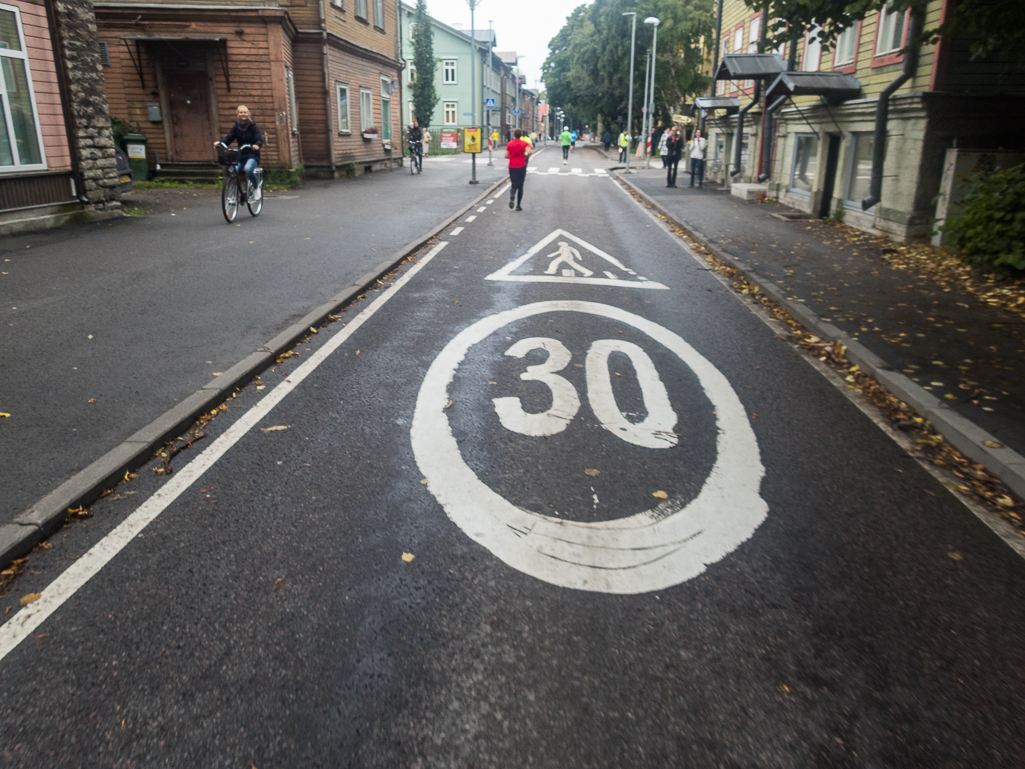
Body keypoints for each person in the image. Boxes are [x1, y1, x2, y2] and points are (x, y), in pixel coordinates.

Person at [214, 105, 262, 200]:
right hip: (241, 154)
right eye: (241, 112)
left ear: (248, 113)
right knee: (232, 172)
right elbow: (229, 138)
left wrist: (257, 145)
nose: (243, 114)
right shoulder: (236, 127)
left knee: (248, 169)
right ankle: (233, 195)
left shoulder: (253, 126)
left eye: (245, 112)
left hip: (252, 154)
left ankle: (256, 188)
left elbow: (259, 138)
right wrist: (221, 143)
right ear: (237, 114)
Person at [505, 128, 531, 211]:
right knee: (520, 186)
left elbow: (506, 155)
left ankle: (512, 194)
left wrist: (512, 156)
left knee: (513, 184)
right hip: (521, 165)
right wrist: (525, 155)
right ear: (521, 135)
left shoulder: (510, 143)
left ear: (514, 135)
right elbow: (529, 152)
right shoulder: (525, 143)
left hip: (512, 166)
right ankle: (518, 205)